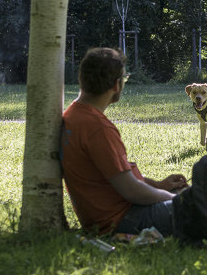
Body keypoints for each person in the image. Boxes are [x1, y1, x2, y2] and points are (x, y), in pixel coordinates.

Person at [61, 47, 188, 236]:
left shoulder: (73, 115)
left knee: (193, 194)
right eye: (124, 78)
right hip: (123, 219)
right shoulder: (98, 128)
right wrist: (171, 199)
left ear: (81, 79)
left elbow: (114, 177)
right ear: (116, 85)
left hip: (113, 215)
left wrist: (159, 186)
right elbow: (132, 191)